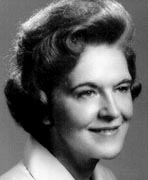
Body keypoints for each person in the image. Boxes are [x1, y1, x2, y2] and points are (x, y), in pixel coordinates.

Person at [0, 0, 141, 179]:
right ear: (43, 104)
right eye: (88, 93)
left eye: (121, 88)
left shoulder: (106, 177)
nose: (113, 111)